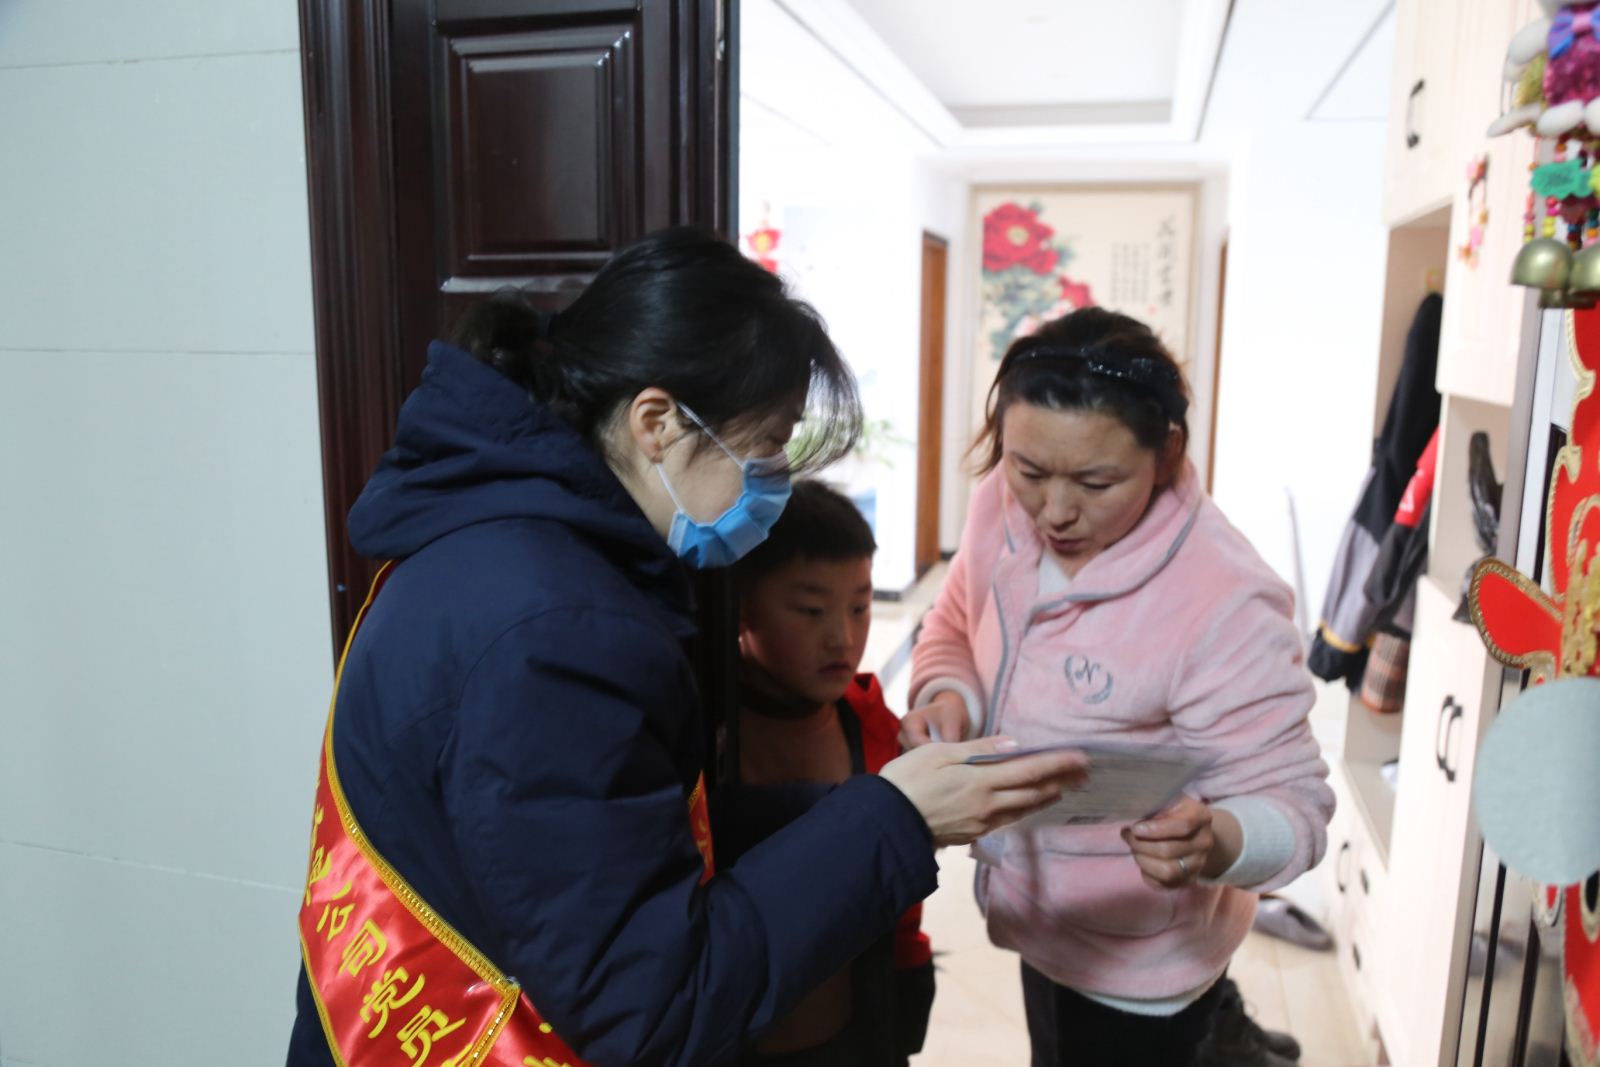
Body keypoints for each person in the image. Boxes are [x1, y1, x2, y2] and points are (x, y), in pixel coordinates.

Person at [286, 228, 1087, 1067]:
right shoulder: (554, 631)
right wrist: (898, 819)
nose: (775, 475)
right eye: (766, 442)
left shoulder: (494, 536)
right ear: (657, 422)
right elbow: (655, 1004)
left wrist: (873, 801)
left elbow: (615, 832)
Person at [902, 307, 1334, 1067]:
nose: (1055, 511)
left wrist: (1217, 840)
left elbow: (1297, 806)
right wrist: (948, 700)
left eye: (1095, 482)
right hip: (1038, 910)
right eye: (1030, 470)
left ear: (1167, 454)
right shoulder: (999, 505)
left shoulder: (1223, 599)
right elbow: (954, 621)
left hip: (1141, 961)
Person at [720, 480, 935, 1067]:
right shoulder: (702, 735)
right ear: (742, 606)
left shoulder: (873, 727)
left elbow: (901, 898)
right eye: (811, 610)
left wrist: (909, 977)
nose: (842, 636)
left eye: (859, 607)